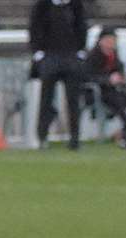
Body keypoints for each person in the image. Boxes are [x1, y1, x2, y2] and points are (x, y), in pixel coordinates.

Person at [29, 0, 87, 149]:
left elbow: (82, 27)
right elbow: (34, 27)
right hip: (50, 57)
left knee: (73, 101)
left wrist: (79, 52)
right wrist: (38, 53)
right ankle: (42, 137)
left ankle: (74, 138)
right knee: (46, 99)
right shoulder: (43, 5)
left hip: (70, 57)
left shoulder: (75, 5)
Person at [86, 28, 126, 146]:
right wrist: (108, 80)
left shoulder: (115, 55)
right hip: (101, 92)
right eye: (109, 40)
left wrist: (122, 78)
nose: (111, 43)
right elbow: (89, 77)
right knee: (121, 107)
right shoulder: (92, 56)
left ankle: (123, 132)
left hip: (117, 91)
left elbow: (120, 70)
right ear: (101, 41)